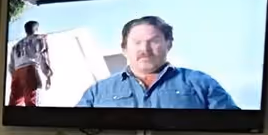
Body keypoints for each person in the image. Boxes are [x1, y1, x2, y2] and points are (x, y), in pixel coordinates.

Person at [76, 16, 238, 109]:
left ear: (169, 44)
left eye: (154, 41)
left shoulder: (201, 83)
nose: (145, 49)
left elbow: (235, 127)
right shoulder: (97, 92)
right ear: (124, 48)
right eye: (137, 42)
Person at [8, 20, 51, 106]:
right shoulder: (39, 39)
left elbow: (11, 66)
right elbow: (42, 57)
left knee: (14, 105)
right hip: (30, 71)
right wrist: (48, 75)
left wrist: (15, 77)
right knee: (32, 103)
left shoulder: (16, 46)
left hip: (17, 74)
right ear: (37, 29)